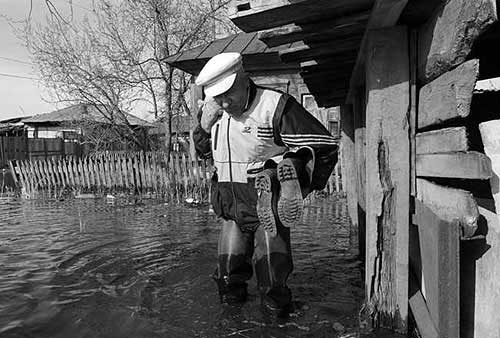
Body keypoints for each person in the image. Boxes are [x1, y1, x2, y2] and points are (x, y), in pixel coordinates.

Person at [193, 52, 338, 315]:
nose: (224, 103)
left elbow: (325, 146)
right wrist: (203, 129)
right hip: (231, 208)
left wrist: (302, 179)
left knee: (273, 286)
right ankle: (233, 325)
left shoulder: (274, 104)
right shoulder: (213, 111)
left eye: (228, 94)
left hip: (267, 207)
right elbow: (204, 153)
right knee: (227, 280)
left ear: (244, 78)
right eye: (217, 97)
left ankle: (279, 325)